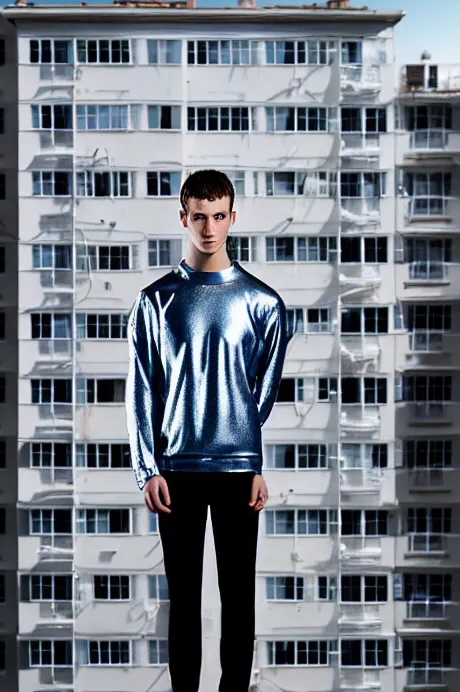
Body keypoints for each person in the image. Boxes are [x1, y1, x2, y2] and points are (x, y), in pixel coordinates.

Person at [125, 170, 292, 692]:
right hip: (175, 471)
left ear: (233, 218)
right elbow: (141, 390)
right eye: (199, 216)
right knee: (185, 602)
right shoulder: (155, 301)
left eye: (219, 216)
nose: (209, 227)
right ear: (184, 218)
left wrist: (249, 454)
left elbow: (261, 395)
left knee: (240, 598)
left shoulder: (264, 304)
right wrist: (147, 468)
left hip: (240, 472)